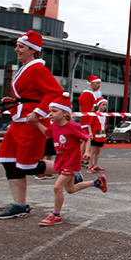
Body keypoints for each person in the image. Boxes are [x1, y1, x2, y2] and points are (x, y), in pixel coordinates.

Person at [0, 29, 65, 219]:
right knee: (9, 162)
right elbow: (30, 95)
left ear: (32, 50)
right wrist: (14, 101)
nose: (16, 49)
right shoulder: (26, 68)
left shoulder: (38, 68)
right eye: (17, 46)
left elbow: (55, 92)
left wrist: (37, 112)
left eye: (21, 46)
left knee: (28, 164)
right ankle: (20, 205)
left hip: (31, 122)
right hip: (19, 120)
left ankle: (68, 170)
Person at [32, 94, 108, 226]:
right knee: (71, 189)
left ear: (65, 113)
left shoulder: (72, 126)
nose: (50, 114)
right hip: (61, 161)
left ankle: (56, 214)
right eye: (50, 111)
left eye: (54, 111)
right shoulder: (54, 127)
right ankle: (97, 182)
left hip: (71, 162)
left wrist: (87, 152)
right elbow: (47, 133)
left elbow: (86, 137)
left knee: (57, 187)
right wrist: (37, 123)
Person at [79, 75, 105, 172]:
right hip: (88, 121)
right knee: (86, 141)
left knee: (87, 142)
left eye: (100, 83)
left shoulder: (92, 94)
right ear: (92, 83)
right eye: (97, 83)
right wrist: (89, 122)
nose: (99, 85)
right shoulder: (87, 94)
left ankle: (84, 160)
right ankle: (83, 160)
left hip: (91, 120)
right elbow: (87, 110)